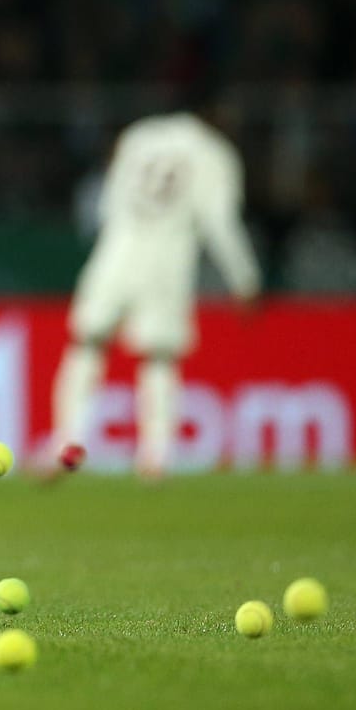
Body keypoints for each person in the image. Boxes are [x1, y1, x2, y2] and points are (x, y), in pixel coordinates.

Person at [45, 99, 260, 478]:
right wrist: (244, 278)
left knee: (87, 341)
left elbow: (108, 203)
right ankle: (155, 456)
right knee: (159, 355)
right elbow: (220, 221)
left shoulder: (139, 136)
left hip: (118, 247)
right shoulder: (216, 153)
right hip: (168, 255)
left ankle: (67, 443)